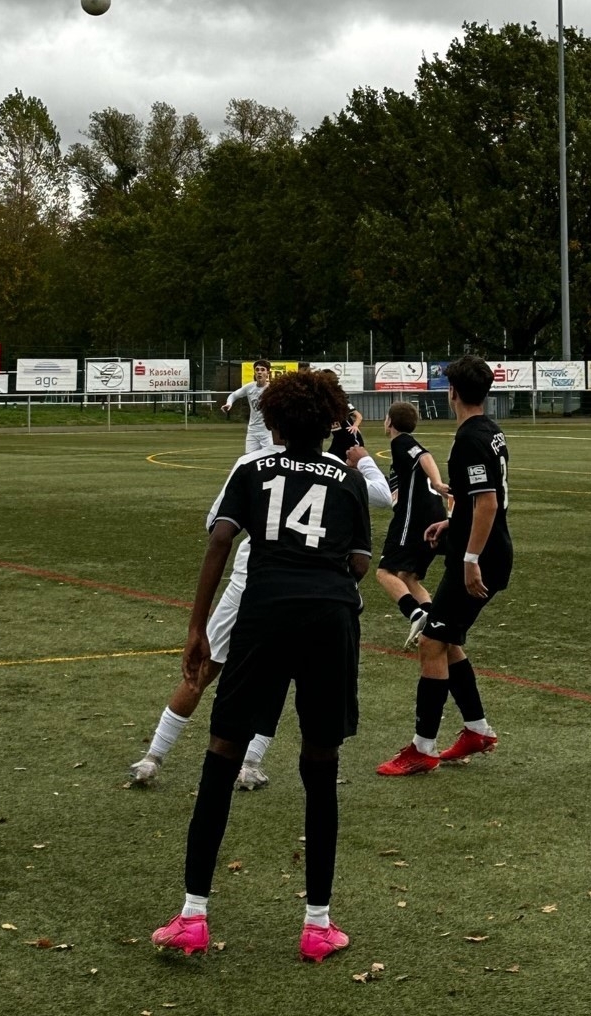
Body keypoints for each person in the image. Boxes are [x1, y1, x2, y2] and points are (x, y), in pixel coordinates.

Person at [151, 370, 371, 963]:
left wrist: (197, 628)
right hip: (329, 621)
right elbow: (357, 564)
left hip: (263, 615)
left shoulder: (252, 471)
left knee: (222, 753)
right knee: (321, 764)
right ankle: (318, 924)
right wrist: (320, 587)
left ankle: (193, 915)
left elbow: (219, 544)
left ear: (271, 423)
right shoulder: (348, 480)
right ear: (331, 421)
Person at [131, 415, 393, 792]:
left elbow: (217, 529)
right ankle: (237, 763)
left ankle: (158, 757)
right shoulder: (337, 469)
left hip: (252, 582)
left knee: (209, 668)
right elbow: (379, 507)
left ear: (275, 424)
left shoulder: (252, 464)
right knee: (283, 676)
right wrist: (363, 461)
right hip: (311, 591)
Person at [377, 354, 508, 777]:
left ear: (452, 392)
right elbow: (483, 500)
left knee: (432, 642)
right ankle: (477, 729)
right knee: (447, 640)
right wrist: (452, 523)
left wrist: (469, 558)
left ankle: (422, 748)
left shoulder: (470, 437)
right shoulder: (490, 431)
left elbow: (488, 502)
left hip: (481, 556)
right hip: (481, 547)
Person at [375, 401, 449, 649]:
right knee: (409, 576)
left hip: (415, 518)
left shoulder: (401, 441)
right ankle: (433, 625)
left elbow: (424, 456)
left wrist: (438, 482)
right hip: (433, 516)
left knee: (385, 571)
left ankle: (416, 615)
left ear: (390, 422)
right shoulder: (401, 453)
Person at [221, 360, 273, 454]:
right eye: (257, 369)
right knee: (249, 459)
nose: (259, 372)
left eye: (262, 369)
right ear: (254, 372)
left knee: (268, 459)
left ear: (268, 372)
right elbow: (234, 395)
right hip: (252, 431)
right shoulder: (250, 387)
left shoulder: (272, 389)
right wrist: (229, 403)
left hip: (267, 432)